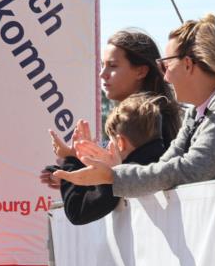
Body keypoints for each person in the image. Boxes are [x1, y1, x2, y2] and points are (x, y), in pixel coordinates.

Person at [56, 14, 215, 194]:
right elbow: (165, 166)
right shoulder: (200, 110)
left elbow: (190, 171)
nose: (164, 76)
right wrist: (114, 170)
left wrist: (113, 175)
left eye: (165, 65)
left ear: (188, 64)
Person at [41, 29, 182, 191]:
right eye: (102, 65)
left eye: (112, 66)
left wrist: (72, 163)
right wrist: (72, 173)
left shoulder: (155, 117)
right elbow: (119, 180)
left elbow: (129, 182)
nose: (102, 74)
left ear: (141, 71)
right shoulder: (149, 116)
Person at [60, 95, 169, 224]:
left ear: (120, 143)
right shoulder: (171, 164)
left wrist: (73, 159)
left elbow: (77, 212)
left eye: (110, 141)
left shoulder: (125, 176)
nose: (107, 146)